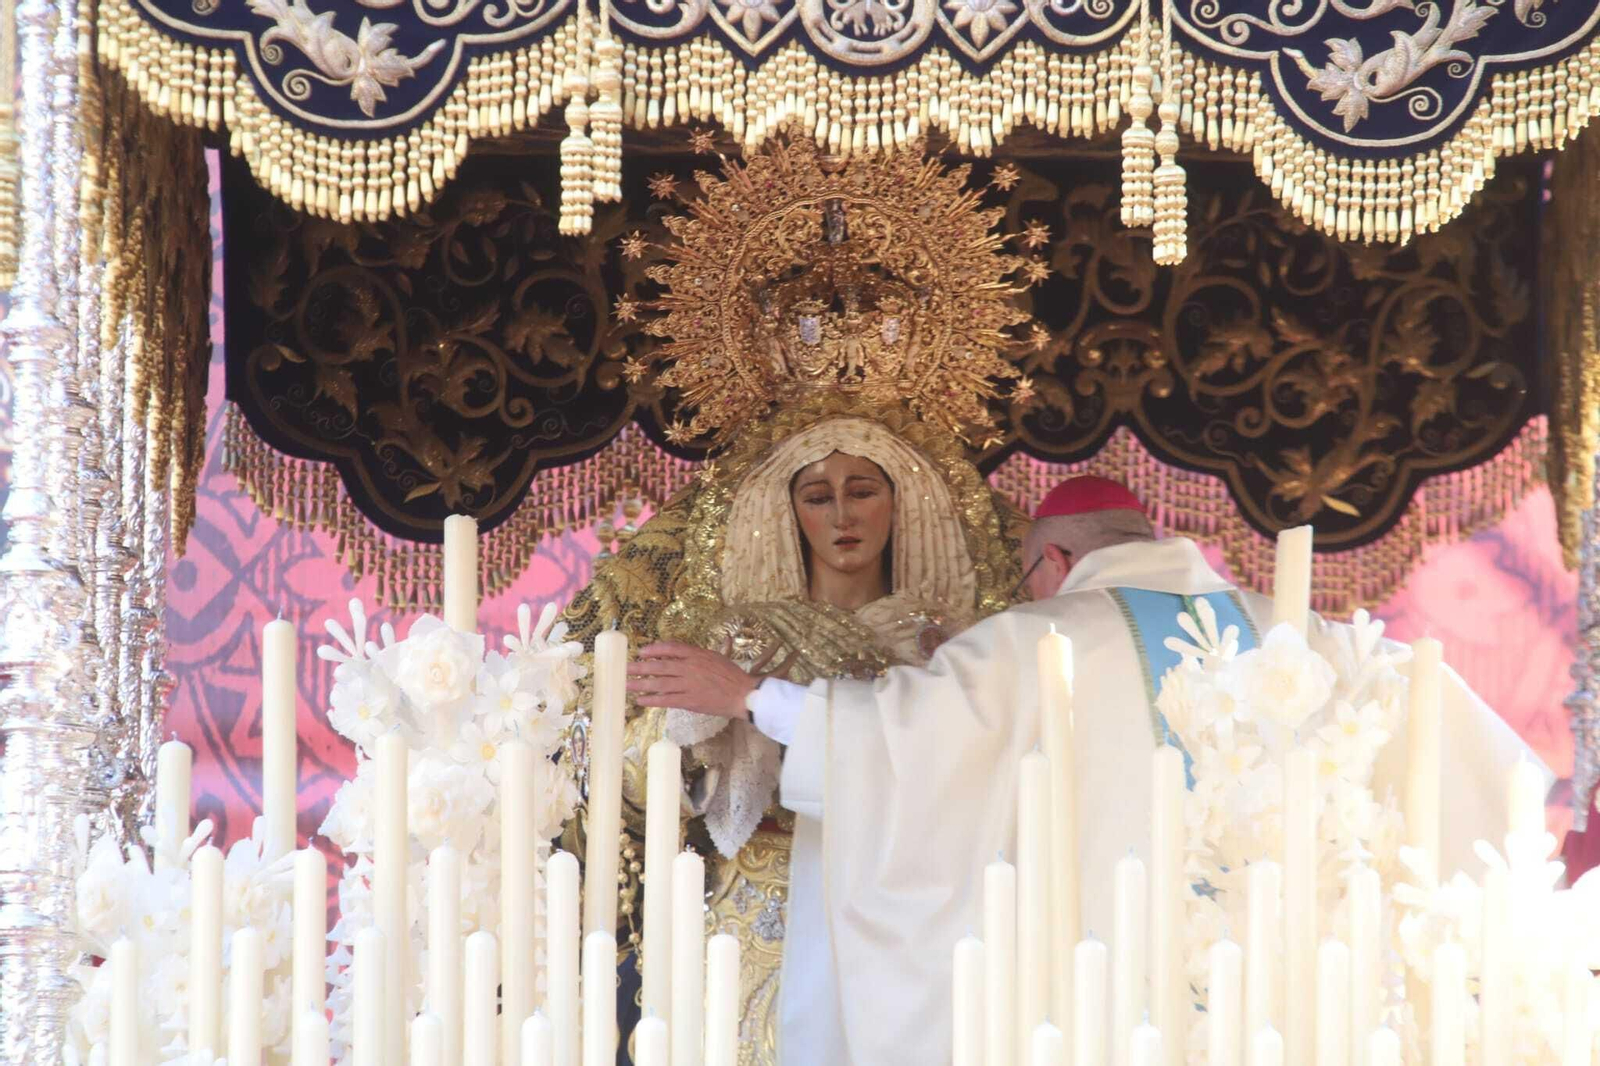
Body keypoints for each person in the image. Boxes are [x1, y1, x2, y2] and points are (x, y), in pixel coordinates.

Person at [627, 475, 1547, 1065]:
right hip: (1294, 1020)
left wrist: (751, 695)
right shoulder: (1306, 634)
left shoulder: (1038, 640)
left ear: (1055, 562)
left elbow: (895, 745)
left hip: (1100, 1023)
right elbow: (1489, 765)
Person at [561, 398, 1022, 1063]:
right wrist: (689, 729)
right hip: (759, 917)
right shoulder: (740, 637)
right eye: (818, 495)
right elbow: (637, 774)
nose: (842, 514)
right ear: (790, 513)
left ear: (900, 503)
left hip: (906, 910)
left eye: (862, 489)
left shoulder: (946, 653)